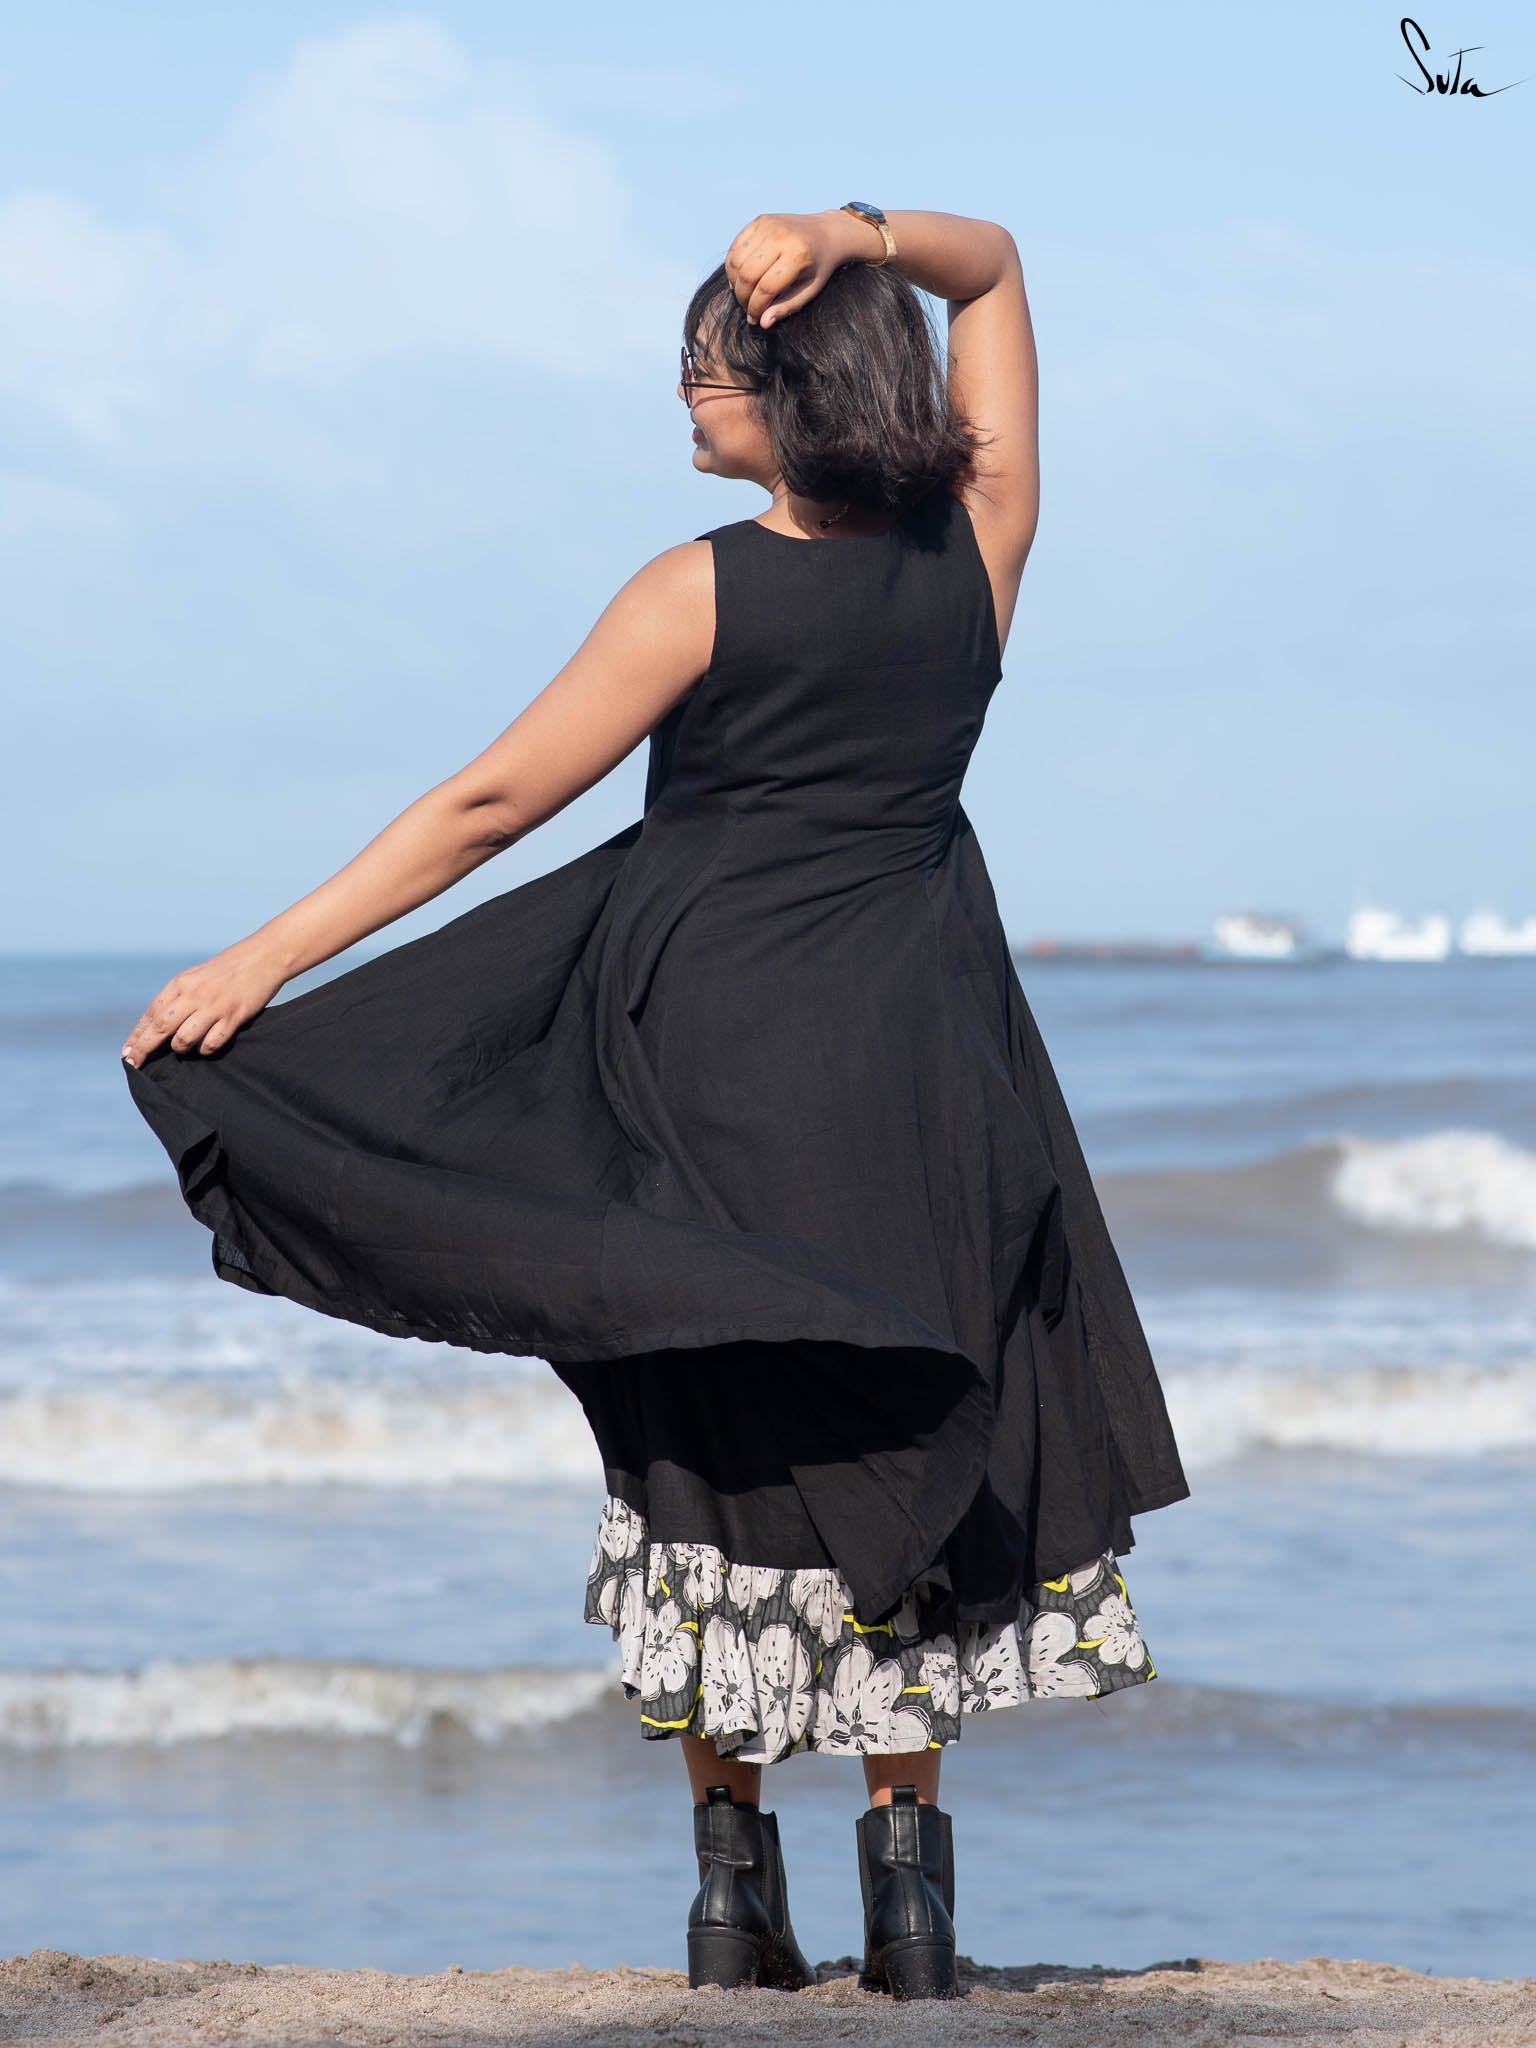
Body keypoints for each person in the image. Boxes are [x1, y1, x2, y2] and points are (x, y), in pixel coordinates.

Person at [122, 203, 1190, 2003]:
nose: (686, 395)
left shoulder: (701, 587)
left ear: (793, 383)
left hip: (701, 1057)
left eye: (706, 366)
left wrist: (263, 962)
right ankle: (910, 1899)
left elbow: (489, 807)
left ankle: (728, 1892)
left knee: (707, 1438)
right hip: (923, 1061)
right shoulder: (979, 546)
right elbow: (995, 267)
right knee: (895, 1414)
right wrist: (858, 231)